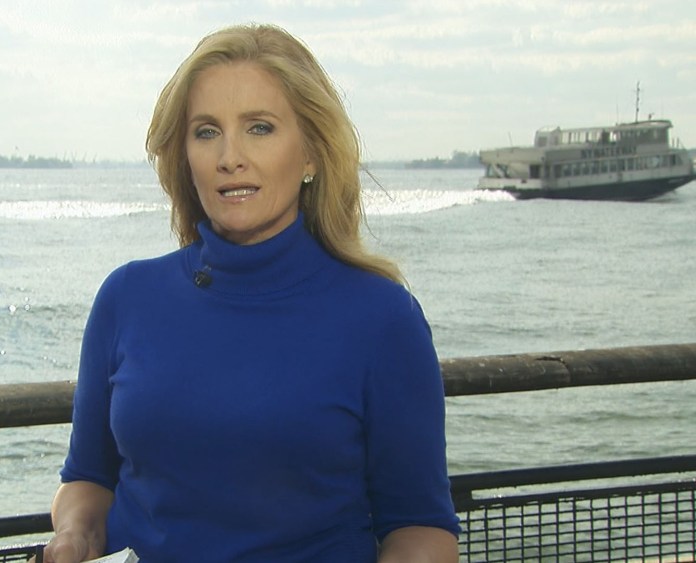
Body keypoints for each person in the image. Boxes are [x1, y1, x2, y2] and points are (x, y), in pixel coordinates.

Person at [44, 23, 460, 563]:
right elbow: (88, 479)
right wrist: (74, 534)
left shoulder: (382, 318)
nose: (230, 156)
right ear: (184, 155)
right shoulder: (126, 298)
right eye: (206, 131)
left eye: (259, 128)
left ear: (311, 154)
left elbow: (421, 530)